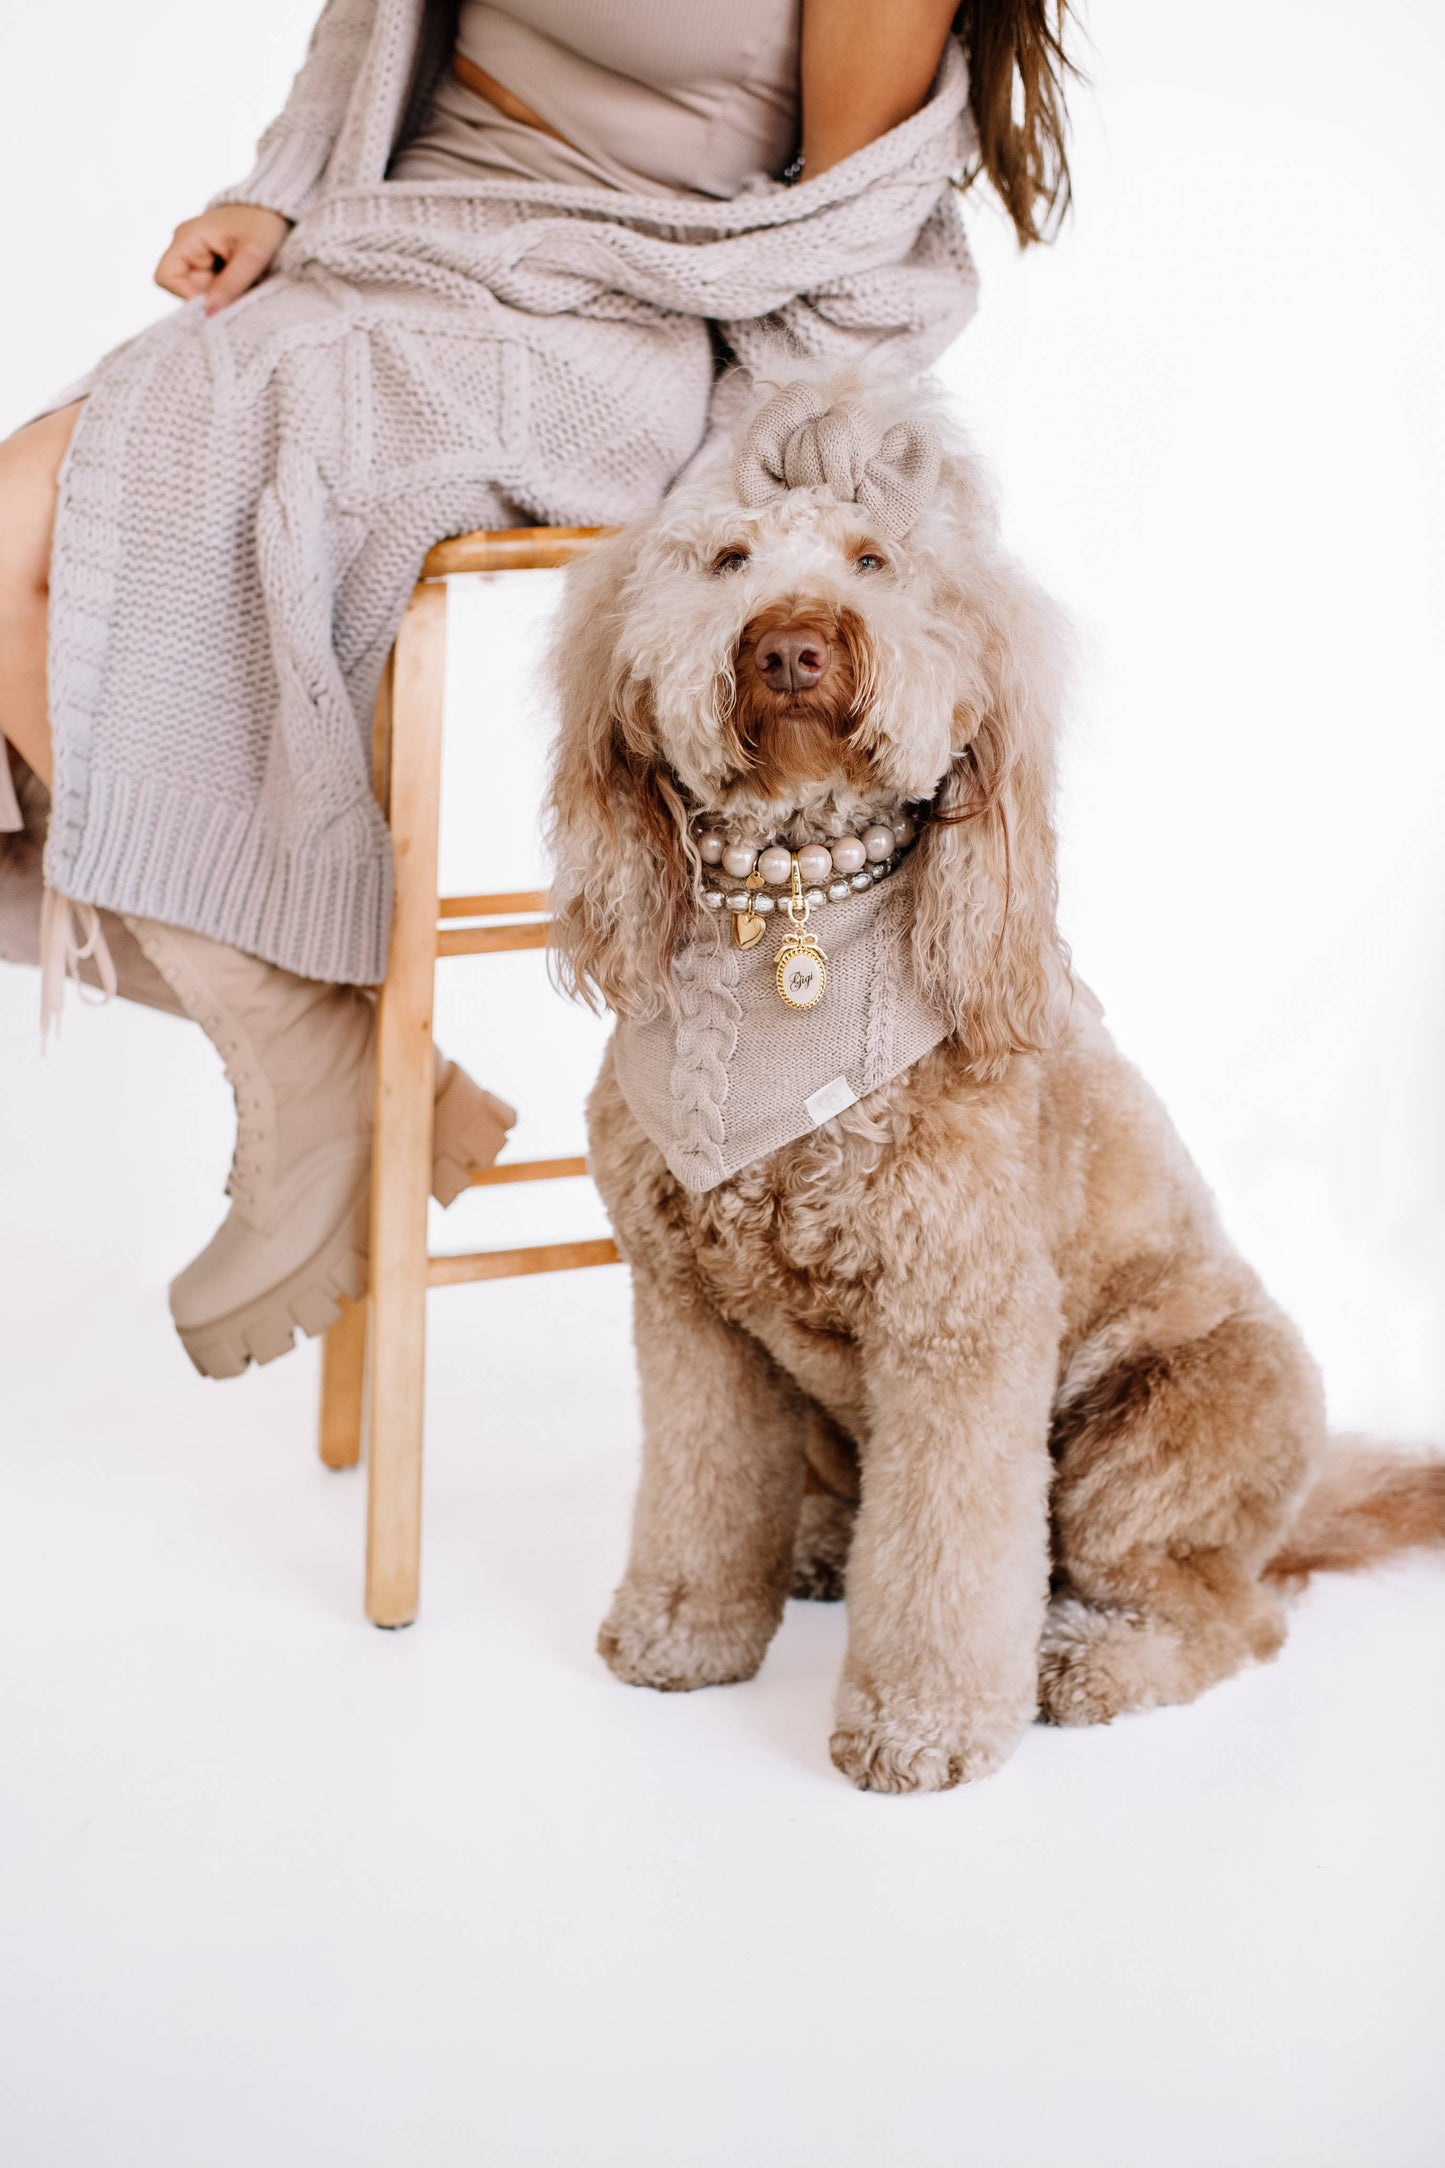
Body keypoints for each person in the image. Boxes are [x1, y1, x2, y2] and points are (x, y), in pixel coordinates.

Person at [0, 0, 1075, 1379]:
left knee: (31, 544)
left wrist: (768, 513)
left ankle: (313, 1054)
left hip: (592, 321)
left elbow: (853, 241)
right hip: (373, 259)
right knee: (47, 549)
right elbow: (370, 26)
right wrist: (274, 195)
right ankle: (324, 1045)